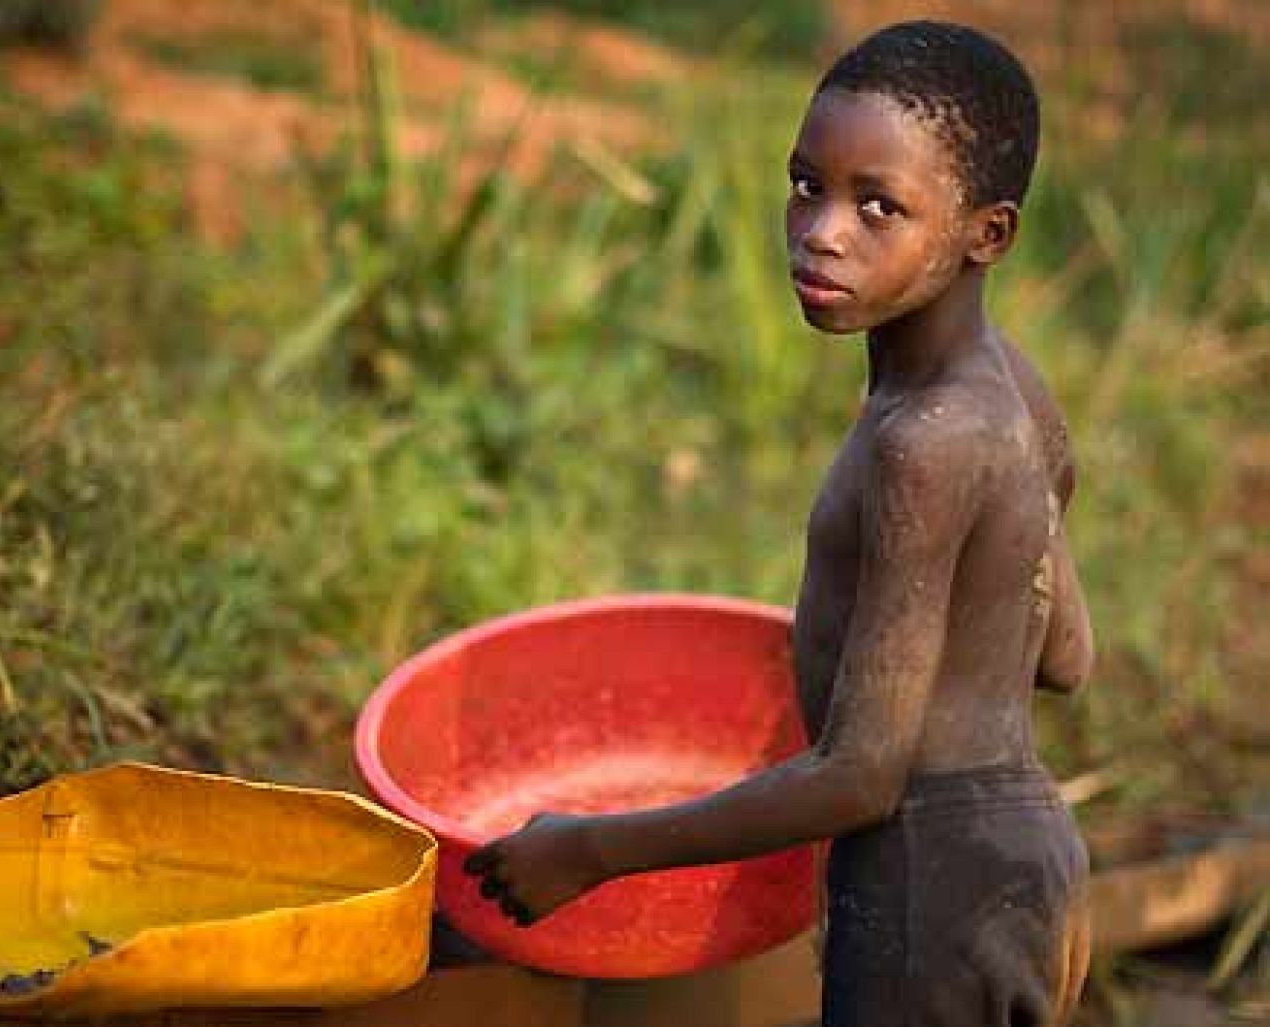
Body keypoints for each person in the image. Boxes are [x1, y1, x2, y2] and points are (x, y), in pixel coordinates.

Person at [464, 20, 1096, 1026]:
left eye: (878, 205)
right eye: (807, 184)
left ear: (988, 233)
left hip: (925, 891)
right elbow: (1065, 653)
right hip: (1028, 861)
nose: (822, 230)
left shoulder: (919, 443)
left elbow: (860, 778)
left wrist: (590, 849)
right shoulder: (1012, 390)